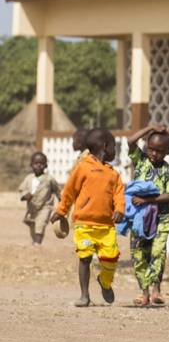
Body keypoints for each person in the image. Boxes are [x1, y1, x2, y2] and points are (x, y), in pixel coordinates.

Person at [50, 129, 124, 306]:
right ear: (105, 146)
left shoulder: (113, 174)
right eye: (114, 147)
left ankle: (104, 282)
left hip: (106, 227)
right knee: (85, 258)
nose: (115, 151)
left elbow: (119, 195)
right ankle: (84, 295)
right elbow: (69, 191)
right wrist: (61, 210)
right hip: (84, 224)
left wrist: (120, 210)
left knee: (110, 260)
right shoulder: (82, 167)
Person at [128, 125, 169, 307]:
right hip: (139, 218)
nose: (154, 154)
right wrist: (150, 128)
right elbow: (130, 141)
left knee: (157, 253)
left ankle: (156, 289)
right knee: (139, 255)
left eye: (159, 151)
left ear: (168, 152)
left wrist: (147, 199)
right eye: (151, 149)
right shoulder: (141, 161)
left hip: (160, 219)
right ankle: (144, 293)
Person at [19, 151, 61, 246]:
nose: (38, 165)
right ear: (31, 165)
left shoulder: (49, 179)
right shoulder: (29, 178)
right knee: (33, 226)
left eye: (41, 163)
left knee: (40, 224)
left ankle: (38, 243)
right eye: (36, 163)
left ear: (45, 165)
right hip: (32, 208)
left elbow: (57, 190)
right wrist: (25, 195)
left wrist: (61, 201)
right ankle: (35, 242)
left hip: (45, 207)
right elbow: (22, 189)